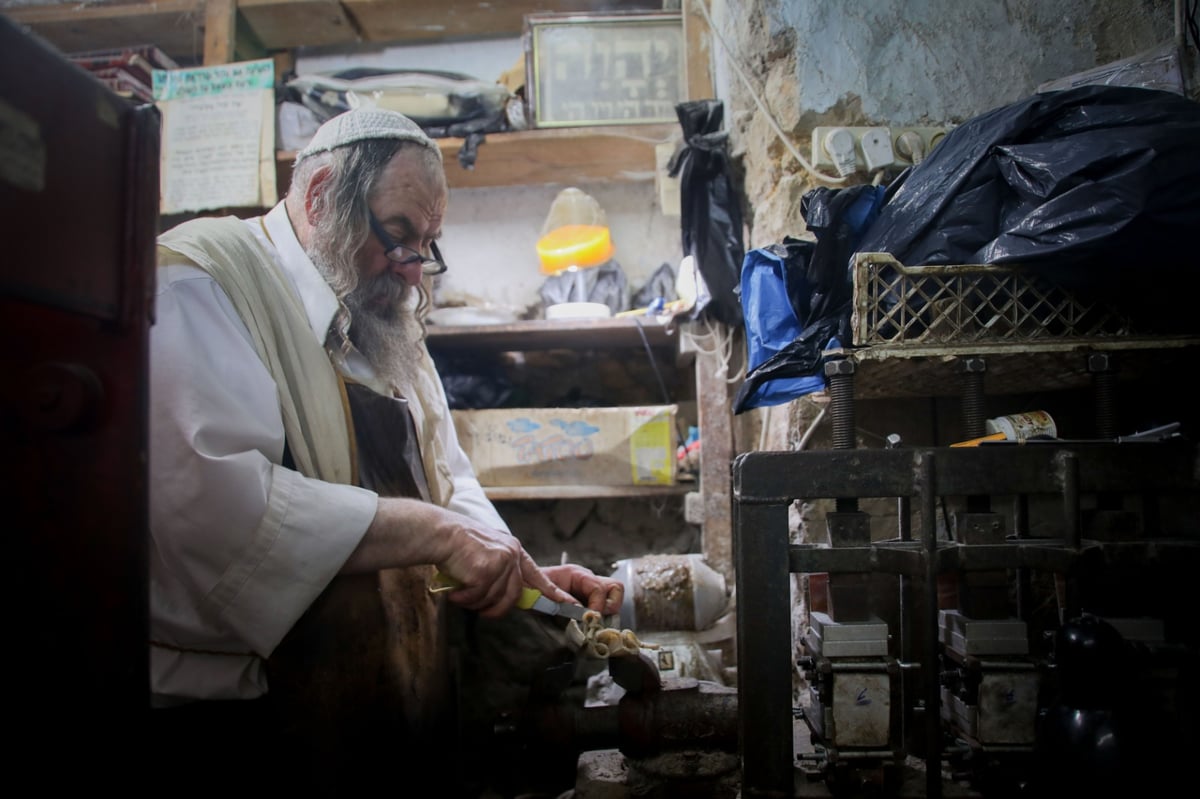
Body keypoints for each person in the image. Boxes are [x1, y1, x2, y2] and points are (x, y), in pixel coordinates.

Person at [148, 107, 624, 791]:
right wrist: (434, 532)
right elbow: (214, 509)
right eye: (397, 235)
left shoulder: (383, 309)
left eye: (427, 243)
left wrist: (518, 571)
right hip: (243, 725)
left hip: (390, 694)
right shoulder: (202, 283)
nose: (412, 271)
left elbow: (446, 477)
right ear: (319, 198)